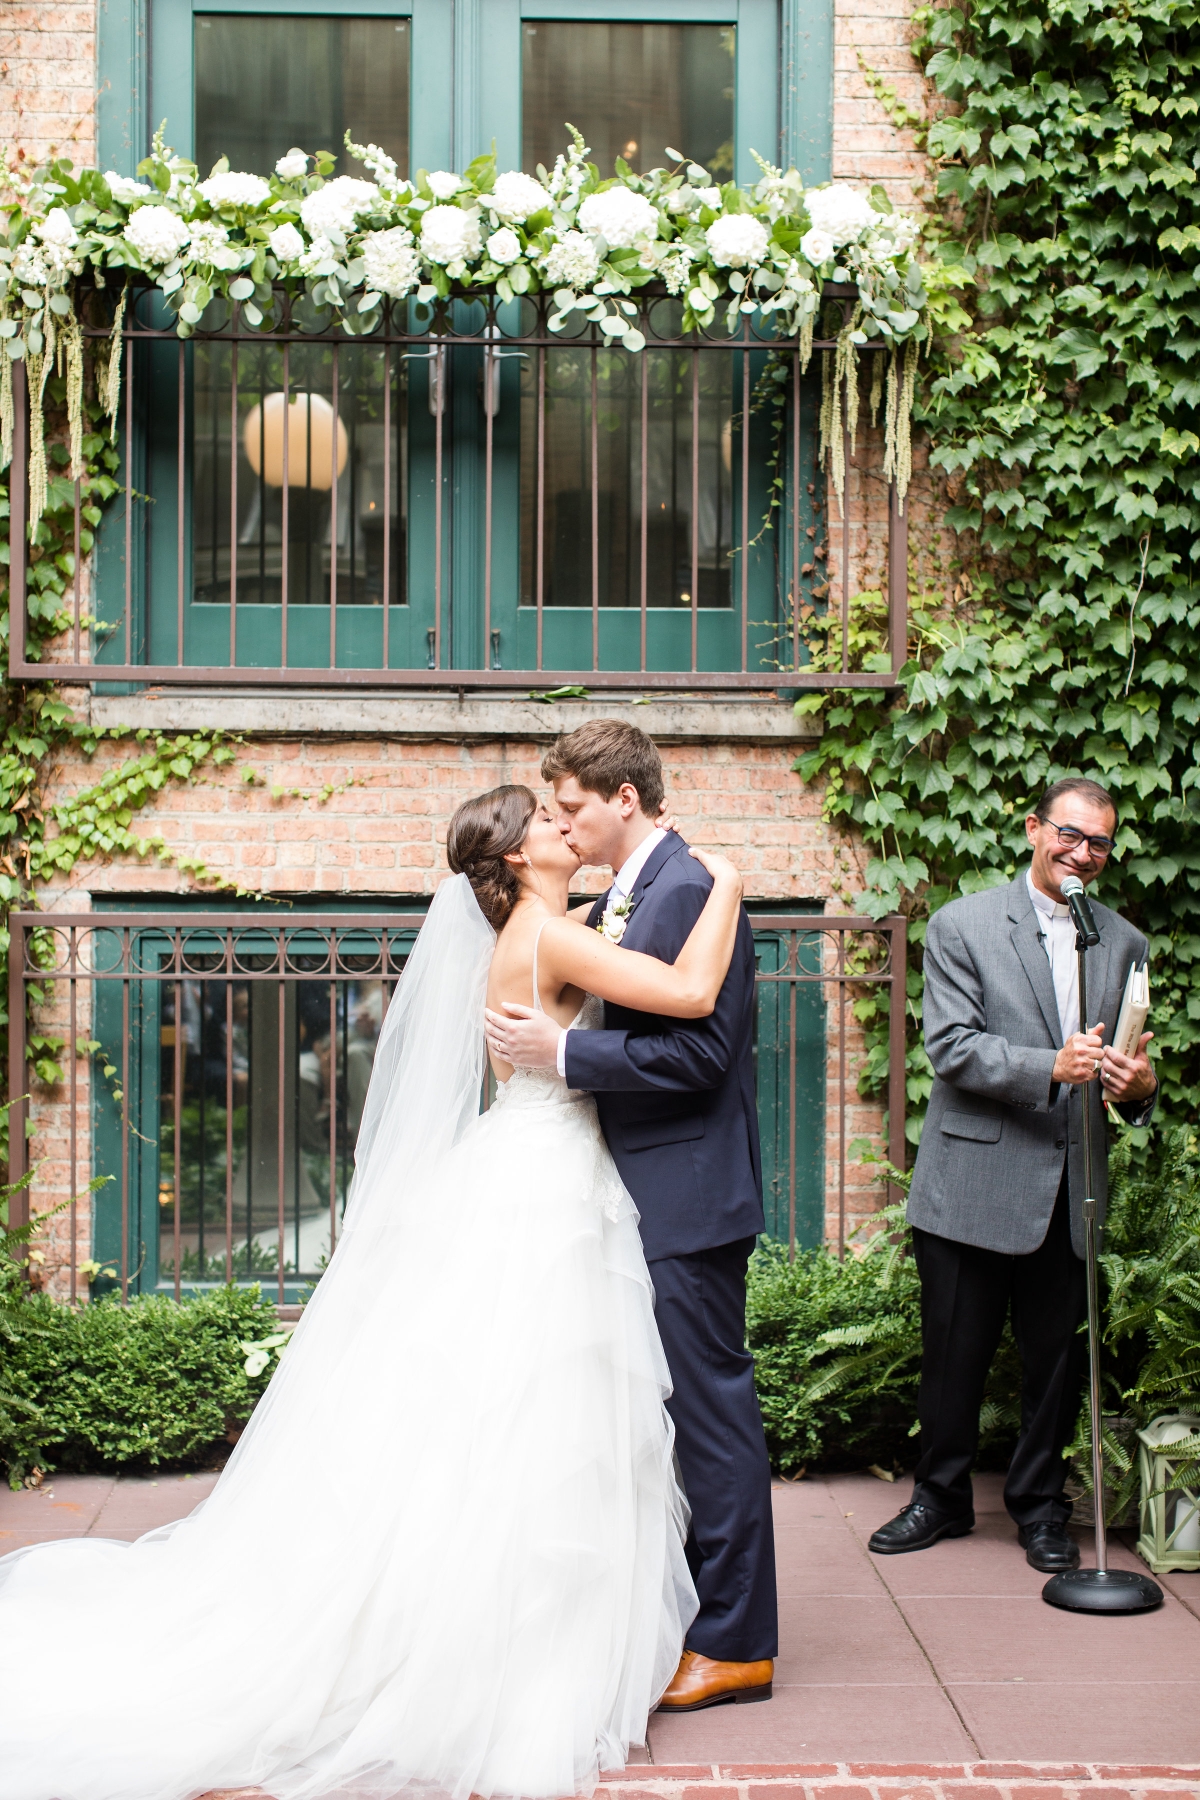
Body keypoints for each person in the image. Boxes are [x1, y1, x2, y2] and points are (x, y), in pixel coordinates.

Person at [0, 784, 747, 1800]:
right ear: (520, 860)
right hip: (548, 1184)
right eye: (545, 821)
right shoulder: (552, 936)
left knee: (508, 1407)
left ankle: (500, 1612)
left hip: (536, 1165)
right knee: (534, 1407)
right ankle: (508, 1641)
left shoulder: (553, 925)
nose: (563, 828)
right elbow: (694, 991)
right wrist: (735, 888)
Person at [485, 719, 777, 1713]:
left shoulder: (686, 885)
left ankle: (736, 1642)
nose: (563, 822)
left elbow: (703, 1055)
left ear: (624, 799)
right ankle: (684, 1611)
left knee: (710, 1413)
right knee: (663, 1417)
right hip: (636, 1186)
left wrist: (564, 1057)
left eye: (572, 806)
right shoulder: (622, 897)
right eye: (551, 812)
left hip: (686, 1192)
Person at [868, 776, 1157, 1573]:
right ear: (1034, 830)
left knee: (1055, 1367)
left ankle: (1040, 1508)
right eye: (1069, 834)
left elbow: (1134, 1056)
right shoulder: (962, 925)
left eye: (1099, 842)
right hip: (972, 1182)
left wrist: (1141, 1086)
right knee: (953, 1357)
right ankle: (940, 1499)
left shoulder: (1123, 940)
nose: (1083, 853)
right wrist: (1052, 1067)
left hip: (1073, 1190)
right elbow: (952, 1046)